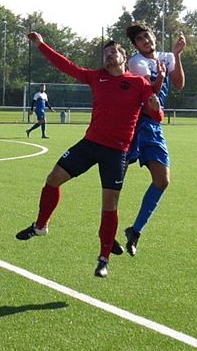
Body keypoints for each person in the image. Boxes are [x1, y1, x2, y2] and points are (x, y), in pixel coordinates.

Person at [15, 32, 164, 278]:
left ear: (123, 57)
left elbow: (156, 115)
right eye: (105, 54)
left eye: (112, 52)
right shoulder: (96, 77)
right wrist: (41, 45)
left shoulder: (139, 83)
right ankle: (40, 226)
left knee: (109, 205)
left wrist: (156, 109)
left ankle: (103, 258)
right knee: (53, 179)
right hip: (90, 144)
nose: (108, 56)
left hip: (117, 153)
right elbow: (66, 66)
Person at [122, 22, 186, 257]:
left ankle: (134, 231)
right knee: (117, 177)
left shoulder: (167, 57)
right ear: (136, 45)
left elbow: (179, 84)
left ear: (153, 36)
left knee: (162, 180)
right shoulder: (136, 62)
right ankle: (106, 236)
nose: (146, 41)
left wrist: (177, 56)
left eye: (147, 36)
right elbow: (150, 94)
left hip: (154, 125)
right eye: (140, 39)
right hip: (136, 123)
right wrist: (159, 76)